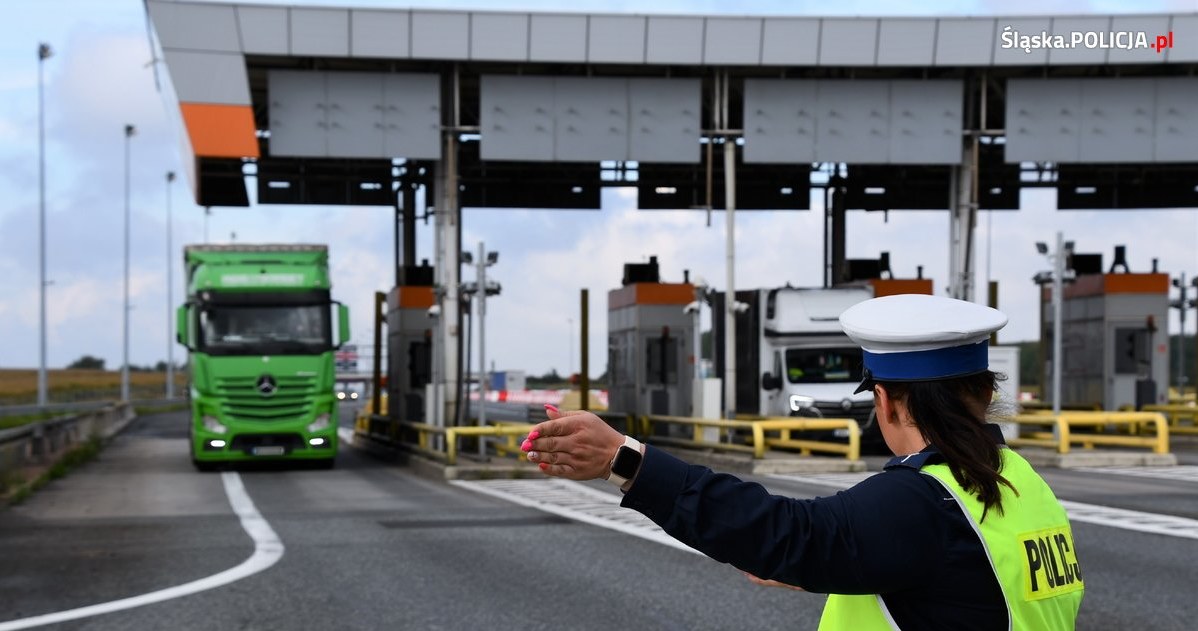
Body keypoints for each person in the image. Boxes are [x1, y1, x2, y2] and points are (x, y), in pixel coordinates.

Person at [523, 294, 1083, 630]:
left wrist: (624, 460)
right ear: (984, 394)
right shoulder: (1020, 482)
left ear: (886, 401)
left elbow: (788, 533)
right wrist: (856, 566)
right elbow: (966, 588)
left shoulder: (922, 500)